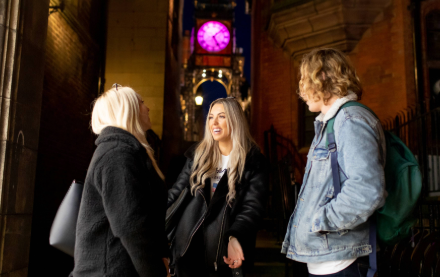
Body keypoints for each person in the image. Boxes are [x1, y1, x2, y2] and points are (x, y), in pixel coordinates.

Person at [281, 48, 387, 277]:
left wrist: (319, 219)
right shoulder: (333, 122)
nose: (301, 88)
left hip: (342, 262)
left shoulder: (349, 120)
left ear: (322, 77)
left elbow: (366, 190)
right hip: (330, 259)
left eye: (304, 79)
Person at [71, 85, 169, 277]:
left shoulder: (126, 151)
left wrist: (162, 254)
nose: (147, 107)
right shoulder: (117, 153)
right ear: (128, 109)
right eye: (141, 102)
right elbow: (131, 225)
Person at [167, 97, 269, 277]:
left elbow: (252, 209)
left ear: (234, 120)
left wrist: (235, 236)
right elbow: (175, 195)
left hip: (222, 259)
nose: (214, 122)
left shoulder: (253, 162)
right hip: (186, 252)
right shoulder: (197, 158)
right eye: (210, 117)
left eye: (221, 116)